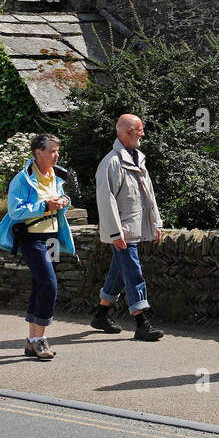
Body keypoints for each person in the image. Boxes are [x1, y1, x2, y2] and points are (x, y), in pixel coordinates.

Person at [0, 133, 74, 360]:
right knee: (49, 284)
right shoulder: (22, 179)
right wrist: (44, 205)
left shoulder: (57, 175)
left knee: (41, 284)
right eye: (52, 151)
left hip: (52, 237)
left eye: (57, 151)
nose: (57, 156)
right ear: (38, 152)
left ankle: (32, 341)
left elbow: (60, 198)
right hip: (32, 238)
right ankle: (39, 340)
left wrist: (64, 201)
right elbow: (15, 211)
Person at [92, 114, 164, 341]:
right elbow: (106, 200)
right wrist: (115, 232)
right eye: (139, 129)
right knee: (133, 271)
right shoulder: (111, 163)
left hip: (131, 228)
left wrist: (156, 223)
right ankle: (141, 322)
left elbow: (148, 195)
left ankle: (101, 315)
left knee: (118, 271)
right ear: (127, 131)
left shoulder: (137, 158)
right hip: (123, 230)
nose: (142, 133)